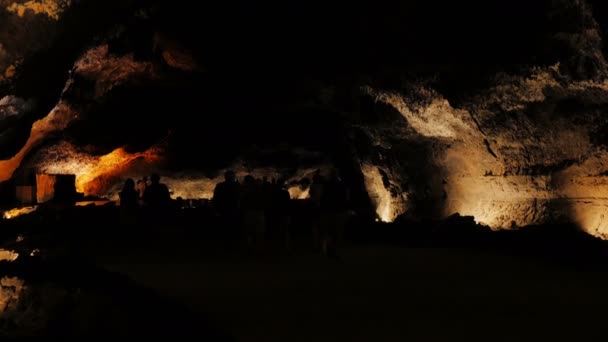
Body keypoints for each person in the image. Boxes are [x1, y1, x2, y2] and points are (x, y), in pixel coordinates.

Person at [319, 169, 349, 258]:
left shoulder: (326, 185)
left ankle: (330, 250)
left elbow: (322, 198)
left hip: (328, 211)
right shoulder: (342, 185)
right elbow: (346, 198)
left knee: (329, 231)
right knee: (338, 232)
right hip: (339, 211)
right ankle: (336, 251)